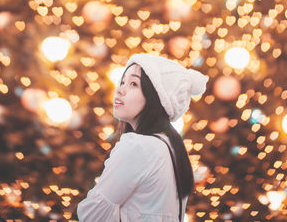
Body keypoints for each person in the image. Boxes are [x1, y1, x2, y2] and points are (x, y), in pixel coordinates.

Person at [77, 53, 208, 222]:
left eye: (133, 84)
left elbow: (92, 213)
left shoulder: (139, 146)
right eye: (123, 82)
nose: (120, 89)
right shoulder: (170, 145)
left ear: (157, 97)